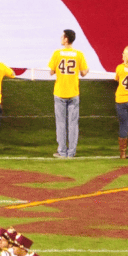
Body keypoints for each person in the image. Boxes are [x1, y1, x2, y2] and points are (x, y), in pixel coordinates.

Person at [49, 30, 89, 159]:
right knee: (73, 124)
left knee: (61, 123)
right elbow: (83, 72)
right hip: (73, 92)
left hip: (60, 92)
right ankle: (71, 152)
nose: (61, 38)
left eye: (62, 36)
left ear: (66, 39)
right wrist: (87, 70)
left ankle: (62, 151)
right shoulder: (78, 54)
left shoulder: (57, 53)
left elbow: (51, 71)